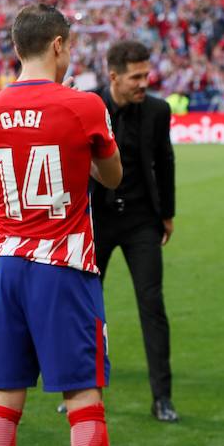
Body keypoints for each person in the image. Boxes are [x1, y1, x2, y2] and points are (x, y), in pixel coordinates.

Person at [0, 4, 141, 446]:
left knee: (3, 401)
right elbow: (113, 177)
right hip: (63, 267)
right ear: (60, 46)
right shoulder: (83, 105)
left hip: (6, 266)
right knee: (83, 397)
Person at [80, 39, 179, 422]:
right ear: (113, 76)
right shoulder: (89, 106)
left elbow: (165, 162)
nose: (144, 82)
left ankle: (163, 398)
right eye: (135, 76)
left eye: (146, 74)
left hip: (141, 221)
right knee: (87, 308)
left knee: (152, 306)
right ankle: (81, 390)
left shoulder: (157, 110)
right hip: (96, 221)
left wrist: (167, 214)